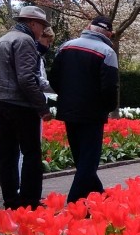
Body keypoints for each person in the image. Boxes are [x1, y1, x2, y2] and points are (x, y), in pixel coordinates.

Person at [49, 15, 119, 203]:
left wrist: (67, 96)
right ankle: (74, 202)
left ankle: (100, 194)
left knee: (81, 157)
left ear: (89, 27)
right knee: (89, 160)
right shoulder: (107, 52)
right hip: (93, 113)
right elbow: (110, 87)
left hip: (68, 109)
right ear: (109, 34)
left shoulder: (66, 47)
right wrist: (108, 107)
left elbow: (54, 78)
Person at [0, 5, 54, 209]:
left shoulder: (3, 40)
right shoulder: (25, 41)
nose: (42, 31)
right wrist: (42, 107)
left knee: (7, 153)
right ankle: (30, 201)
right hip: (20, 103)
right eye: (41, 26)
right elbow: (26, 78)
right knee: (31, 153)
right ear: (32, 23)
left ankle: (10, 200)